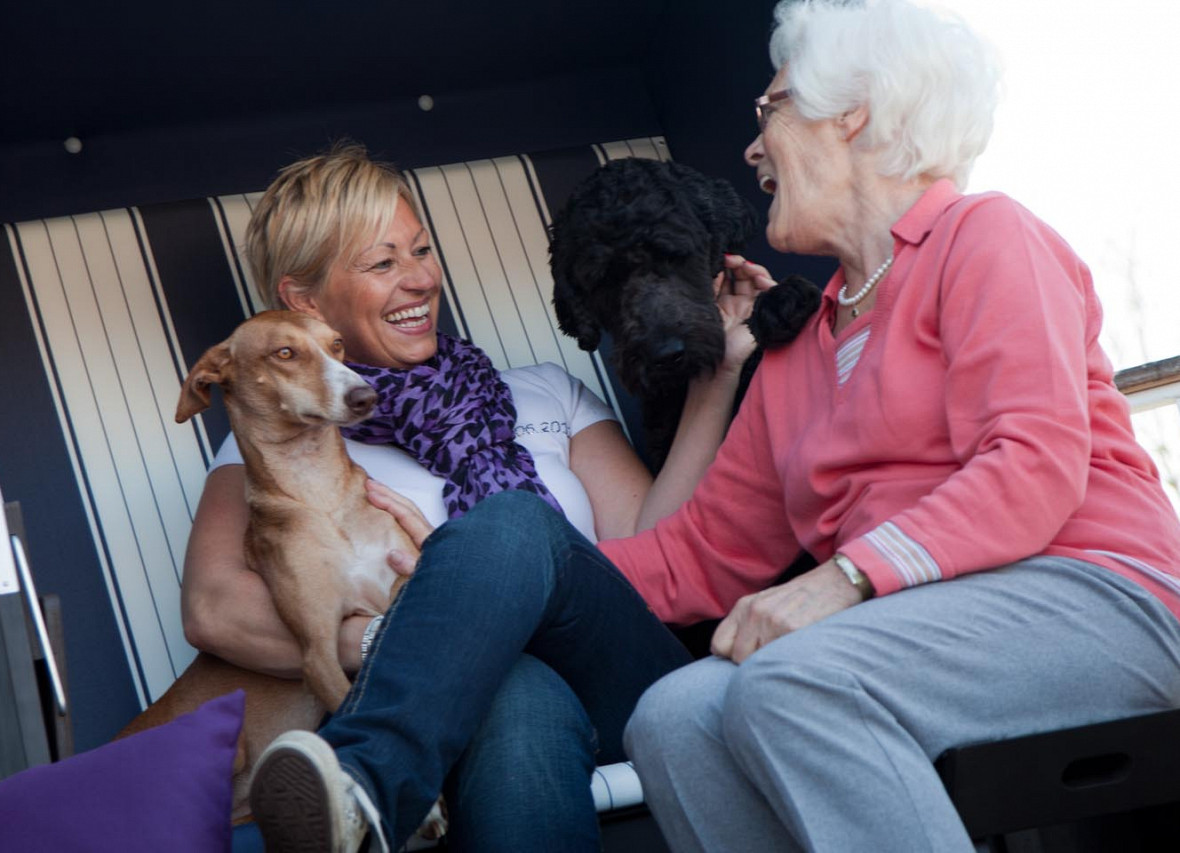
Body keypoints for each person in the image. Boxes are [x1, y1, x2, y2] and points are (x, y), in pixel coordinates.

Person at [612, 0, 1180, 850]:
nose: (752, 146)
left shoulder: (984, 237)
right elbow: (701, 553)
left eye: (769, 112)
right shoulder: (800, 343)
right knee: (672, 716)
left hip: (1099, 594)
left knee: (793, 680)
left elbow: (1031, 465)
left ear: (853, 111)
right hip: (919, 623)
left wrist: (840, 580)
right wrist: (502, 583)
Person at [181, 144, 774, 852]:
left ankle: (366, 775)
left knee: (509, 522)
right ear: (304, 302)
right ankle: (368, 789)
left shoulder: (546, 389)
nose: (419, 279)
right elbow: (213, 605)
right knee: (515, 686)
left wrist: (719, 377)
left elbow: (657, 548)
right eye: (382, 263)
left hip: (625, 676)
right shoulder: (287, 443)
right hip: (483, 713)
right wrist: (420, 640)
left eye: (422, 250)